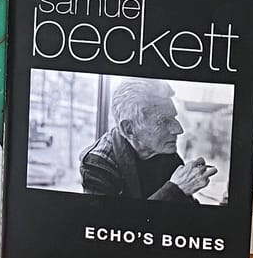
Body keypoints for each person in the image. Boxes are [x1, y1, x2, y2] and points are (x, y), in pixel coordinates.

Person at [78, 78, 214, 202]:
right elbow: (110, 225)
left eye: (173, 118)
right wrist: (175, 189)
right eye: (164, 121)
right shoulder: (97, 164)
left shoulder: (163, 149)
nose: (178, 129)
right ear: (129, 129)